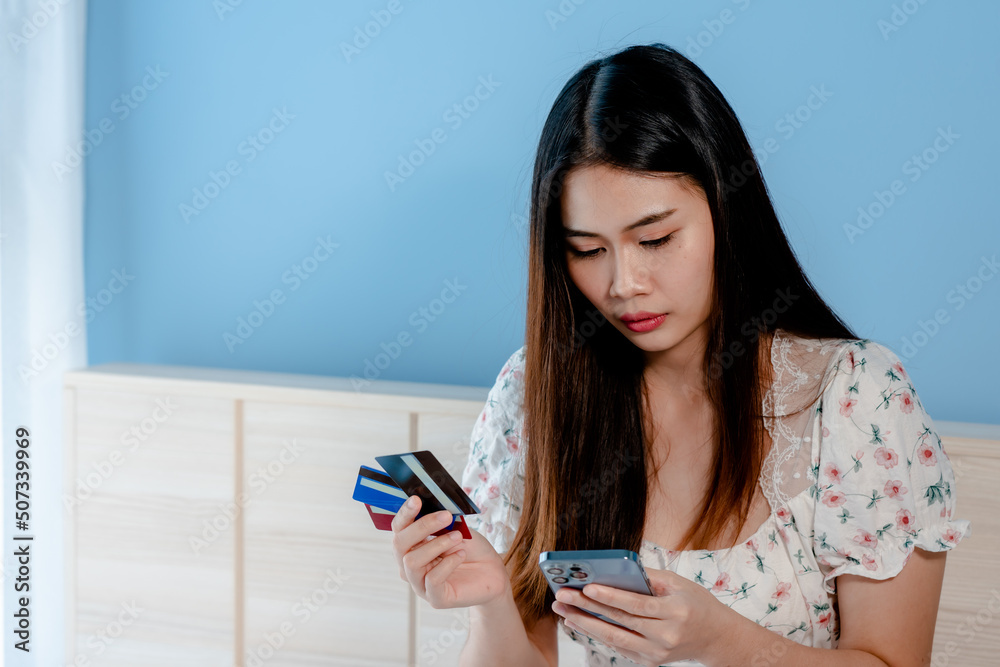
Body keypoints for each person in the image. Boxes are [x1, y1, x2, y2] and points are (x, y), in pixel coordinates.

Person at [389, 42, 971, 667]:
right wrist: (490, 601)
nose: (623, 283)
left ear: (726, 210)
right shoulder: (534, 392)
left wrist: (727, 643)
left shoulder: (854, 396)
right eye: (588, 250)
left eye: (656, 238)